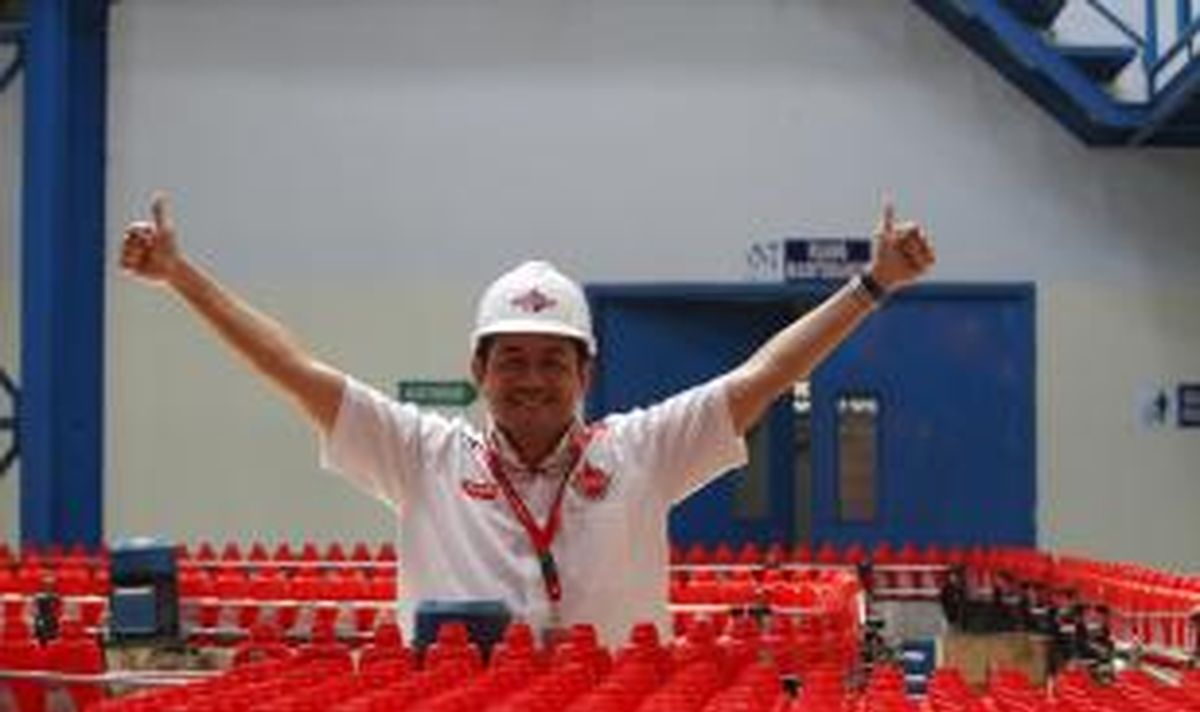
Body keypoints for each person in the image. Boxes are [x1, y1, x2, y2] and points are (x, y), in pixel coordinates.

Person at [120, 196, 934, 645]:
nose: (532, 380)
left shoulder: (642, 450)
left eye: (553, 361)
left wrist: (872, 285)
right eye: (511, 359)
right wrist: (181, 277)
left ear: (587, 372)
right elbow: (292, 368)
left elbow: (767, 373)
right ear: (479, 371)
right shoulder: (422, 454)